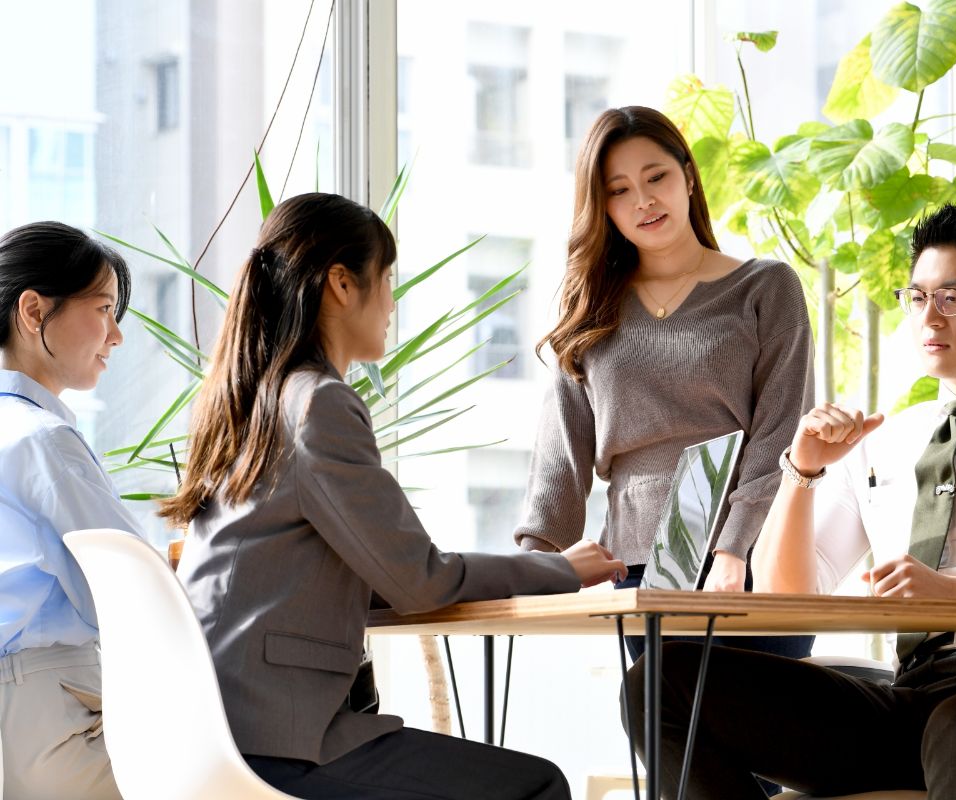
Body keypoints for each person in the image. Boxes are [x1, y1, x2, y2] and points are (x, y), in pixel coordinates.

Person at [625, 204, 956, 799]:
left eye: (953, 297)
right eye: (916, 297)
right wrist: (801, 472)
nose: (930, 317)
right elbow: (792, 597)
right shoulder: (884, 441)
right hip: (913, 697)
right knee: (663, 684)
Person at [163, 192, 625, 800]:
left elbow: (376, 577)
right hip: (279, 744)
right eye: (387, 280)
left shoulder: (253, 402)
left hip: (217, 731)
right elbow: (419, 581)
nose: (391, 303)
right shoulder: (317, 403)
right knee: (535, 787)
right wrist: (560, 569)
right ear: (341, 284)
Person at [514, 105, 815, 660]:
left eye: (657, 178)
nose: (644, 201)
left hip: (748, 563)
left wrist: (733, 550)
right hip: (639, 573)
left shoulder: (764, 287)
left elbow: (781, 431)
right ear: (602, 207)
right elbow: (561, 458)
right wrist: (536, 568)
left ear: (689, 176)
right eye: (619, 190)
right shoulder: (589, 310)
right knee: (674, 736)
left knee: (747, 735)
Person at [0, 221, 138, 800]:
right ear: (34, 312)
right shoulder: (41, 439)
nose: (116, 335)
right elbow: (133, 593)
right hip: (58, 712)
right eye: (104, 308)